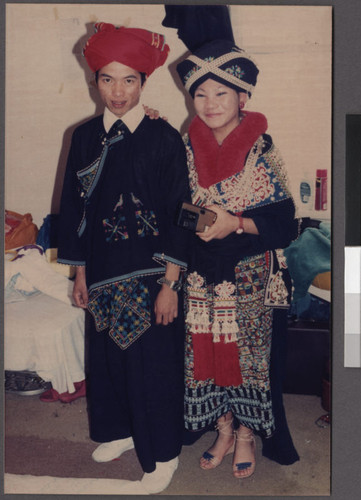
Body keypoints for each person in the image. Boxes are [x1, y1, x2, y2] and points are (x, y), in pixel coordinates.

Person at [57, 22, 190, 493]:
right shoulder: (85, 136)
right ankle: (119, 432)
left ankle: (165, 455)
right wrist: (79, 272)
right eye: (108, 79)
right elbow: (74, 209)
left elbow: (182, 215)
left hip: (155, 273)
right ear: (94, 81)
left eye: (129, 79)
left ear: (143, 82)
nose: (118, 91)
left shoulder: (164, 137)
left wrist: (171, 283)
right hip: (103, 269)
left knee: (152, 365)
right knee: (109, 359)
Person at [175, 39, 301, 479]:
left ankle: (247, 434)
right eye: (200, 94)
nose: (209, 104)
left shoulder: (262, 150)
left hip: (251, 275)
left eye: (221, 93)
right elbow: (173, 209)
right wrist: (206, 218)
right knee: (203, 356)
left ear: (243, 97)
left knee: (249, 359)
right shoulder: (183, 147)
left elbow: (287, 221)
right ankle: (223, 428)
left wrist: (237, 223)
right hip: (201, 273)